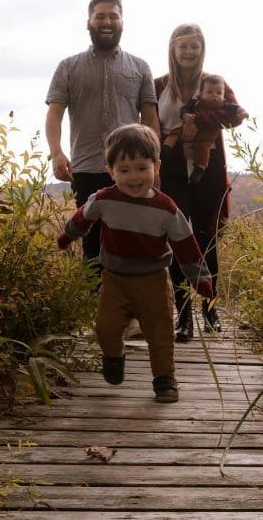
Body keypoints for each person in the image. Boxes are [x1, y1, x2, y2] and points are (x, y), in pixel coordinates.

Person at [56, 123, 213, 403]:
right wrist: (67, 236)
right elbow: (83, 218)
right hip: (114, 280)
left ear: (157, 166)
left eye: (142, 168)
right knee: (105, 326)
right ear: (110, 171)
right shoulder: (104, 199)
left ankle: (164, 379)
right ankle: (114, 356)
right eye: (124, 170)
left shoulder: (166, 208)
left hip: (153, 279)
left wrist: (200, 279)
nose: (134, 177)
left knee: (160, 332)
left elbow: (186, 244)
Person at [45, 0, 159, 268]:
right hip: (85, 169)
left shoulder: (140, 67)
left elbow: (151, 118)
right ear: (89, 22)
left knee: (132, 240)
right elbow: (54, 113)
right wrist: (57, 153)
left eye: (113, 16)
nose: (106, 21)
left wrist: (156, 163)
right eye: (100, 16)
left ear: (122, 21)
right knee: (92, 243)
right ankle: (95, 306)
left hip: (131, 170)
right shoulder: (68, 67)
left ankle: (130, 306)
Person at [155, 23, 246, 342]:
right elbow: (148, 125)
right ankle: (183, 316)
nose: (190, 52)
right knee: (178, 239)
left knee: (207, 240)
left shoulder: (214, 83)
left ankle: (210, 310)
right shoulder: (158, 86)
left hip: (207, 170)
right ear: (173, 50)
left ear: (201, 49)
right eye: (184, 46)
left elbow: (234, 115)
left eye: (195, 46)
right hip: (171, 171)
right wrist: (172, 140)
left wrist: (197, 122)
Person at [162, 74, 249, 186]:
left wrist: (242, 112)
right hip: (182, 137)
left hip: (207, 136)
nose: (214, 95)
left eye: (219, 93)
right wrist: (185, 115)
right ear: (201, 93)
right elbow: (184, 109)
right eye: (209, 92)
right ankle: (166, 148)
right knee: (175, 133)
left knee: (203, 149)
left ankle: (199, 168)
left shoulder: (225, 103)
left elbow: (235, 113)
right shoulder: (196, 101)